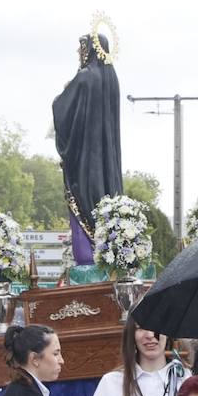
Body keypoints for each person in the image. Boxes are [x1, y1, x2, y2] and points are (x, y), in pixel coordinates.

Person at [52, 30, 122, 264]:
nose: (78, 53)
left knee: (82, 199)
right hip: (107, 161)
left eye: (81, 47)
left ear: (89, 49)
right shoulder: (112, 79)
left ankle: (87, 258)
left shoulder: (84, 77)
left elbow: (61, 109)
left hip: (84, 158)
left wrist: (63, 93)